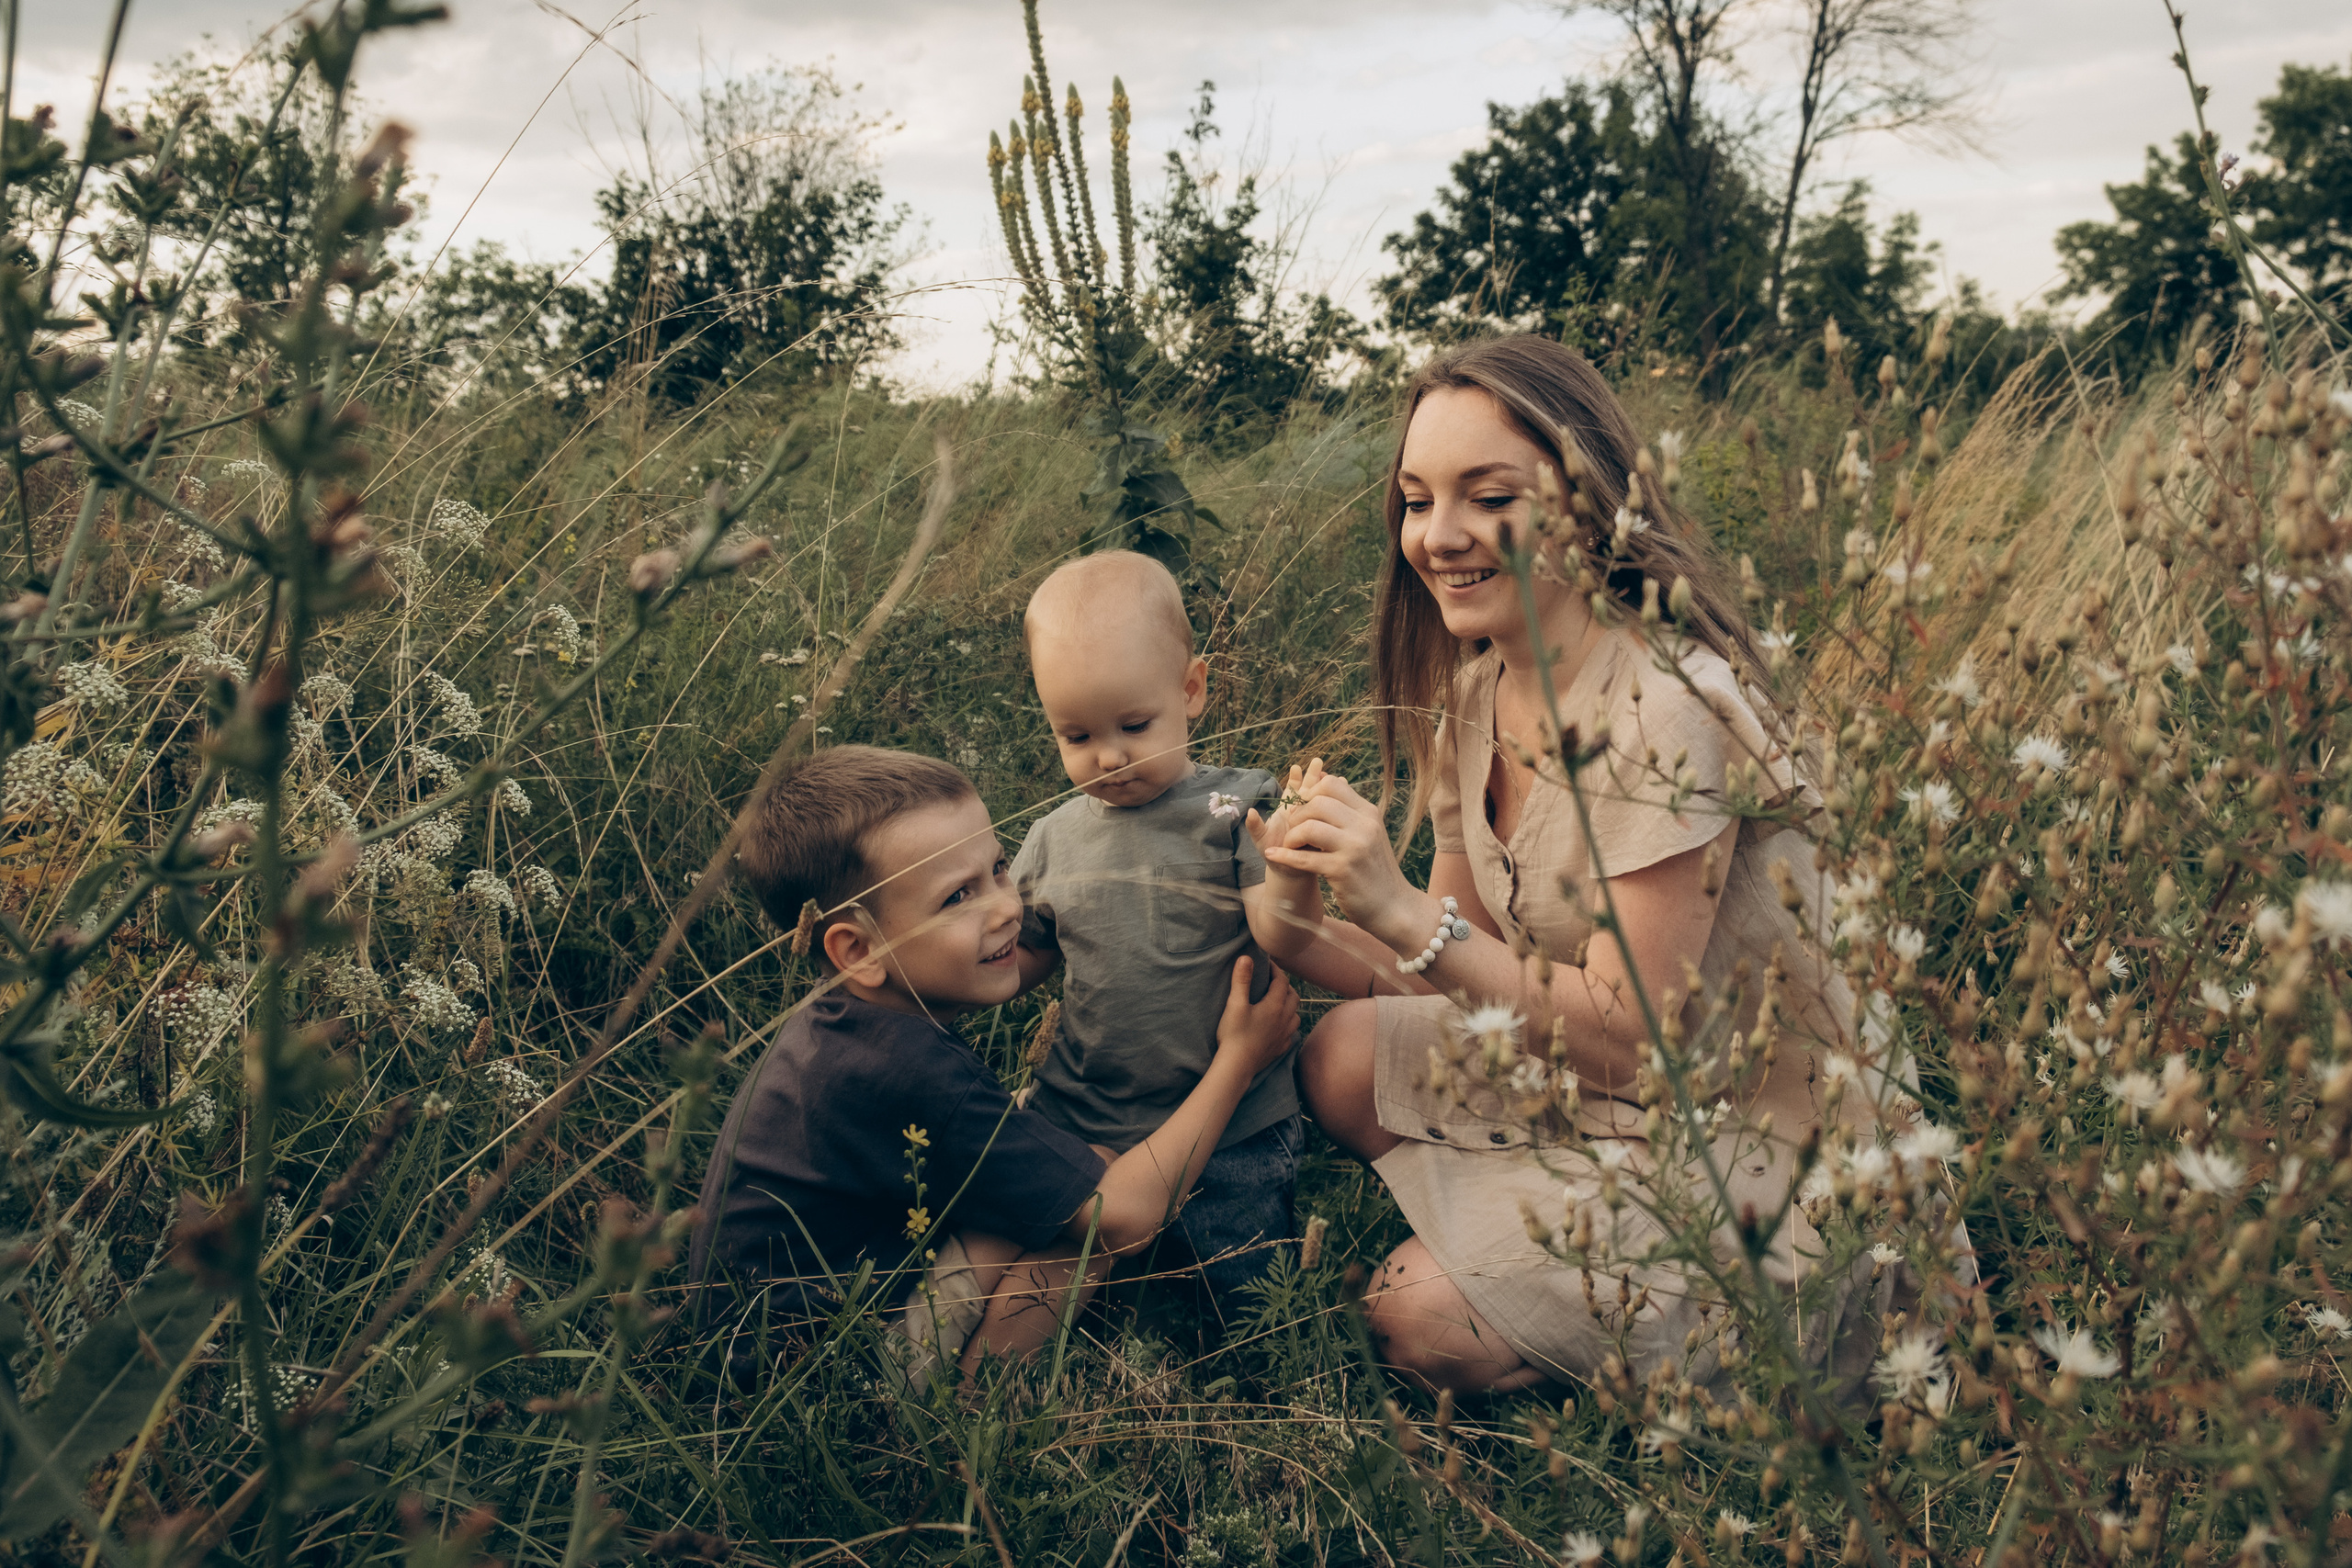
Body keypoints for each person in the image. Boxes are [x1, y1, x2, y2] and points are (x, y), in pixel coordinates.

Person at [1265, 334, 1913, 1395]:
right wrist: (1296, 908)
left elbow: (1630, 1047)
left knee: (1410, 1314)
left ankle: (1649, 1323)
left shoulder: (1665, 704)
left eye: (1489, 496)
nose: (1442, 536)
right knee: (1341, 1057)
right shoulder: (1479, 694)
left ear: (1586, 502)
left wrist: (1391, 905)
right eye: (1417, 501)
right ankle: (1534, 1249)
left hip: (1754, 1134)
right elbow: (1447, 967)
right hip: (1602, 1091)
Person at [687, 744, 1298, 1383]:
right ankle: (978, 1413)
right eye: (958, 896)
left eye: (1000, 867)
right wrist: (1238, 1058)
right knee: (1084, 1202)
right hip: (822, 1384)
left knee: (1042, 1178)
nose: (1008, 906)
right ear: (858, 949)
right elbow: (1123, 1219)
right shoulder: (909, 1068)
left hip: (757, 1354)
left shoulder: (848, 1031)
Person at [1012, 551, 1323, 1313]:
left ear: (1192, 690)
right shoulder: (1052, 839)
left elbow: (1281, 932)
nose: (1108, 756)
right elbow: (1016, 963)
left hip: (1233, 1123)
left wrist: (1286, 862)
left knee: (1244, 1297)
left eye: (1133, 724)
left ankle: (1253, 1391)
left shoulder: (1230, 807)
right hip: (1089, 1119)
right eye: (1076, 735)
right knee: (1102, 1296)